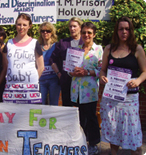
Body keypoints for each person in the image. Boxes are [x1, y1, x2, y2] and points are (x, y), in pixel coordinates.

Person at [100, 16, 146, 155]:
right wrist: (102, 76)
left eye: (127, 29)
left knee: (133, 132)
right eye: (121, 29)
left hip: (129, 99)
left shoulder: (137, 49)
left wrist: (137, 81)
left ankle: (137, 152)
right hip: (111, 98)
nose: (124, 32)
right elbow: (103, 69)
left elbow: (144, 71)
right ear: (116, 31)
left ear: (131, 31)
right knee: (113, 130)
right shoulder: (109, 48)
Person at [69, 22, 102, 155]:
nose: (86, 35)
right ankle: (79, 143)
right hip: (76, 90)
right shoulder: (75, 48)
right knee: (78, 118)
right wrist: (71, 72)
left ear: (94, 34)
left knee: (91, 118)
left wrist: (87, 72)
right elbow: (68, 67)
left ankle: (93, 144)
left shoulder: (98, 50)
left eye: (89, 33)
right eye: (84, 32)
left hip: (90, 91)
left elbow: (101, 70)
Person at [3, 13, 44, 104]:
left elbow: (41, 67)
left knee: (30, 116)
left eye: (24, 25)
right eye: (19, 24)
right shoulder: (8, 43)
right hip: (11, 89)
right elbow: (5, 65)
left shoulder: (34, 43)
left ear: (29, 26)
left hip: (30, 89)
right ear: (15, 25)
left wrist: (33, 80)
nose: (21, 27)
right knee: (11, 116)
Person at [49, 17, 83, 107]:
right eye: (70, 26)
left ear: (80, 27)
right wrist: (58, 73)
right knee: (67, 107)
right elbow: (52, 59)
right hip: (66, 81)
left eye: (75, 26)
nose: (72, 29)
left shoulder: (85, 42)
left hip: (81, 81)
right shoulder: (63, 42)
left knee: (81, 109)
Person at [38, 21, 60, 105]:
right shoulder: (37, 46)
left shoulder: (56, 46)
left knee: (54, 105)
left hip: (54, 79)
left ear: (52, 32)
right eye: (43, 31)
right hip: (41, 80)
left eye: (48, 31)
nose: (45, 33)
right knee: (40, 104)